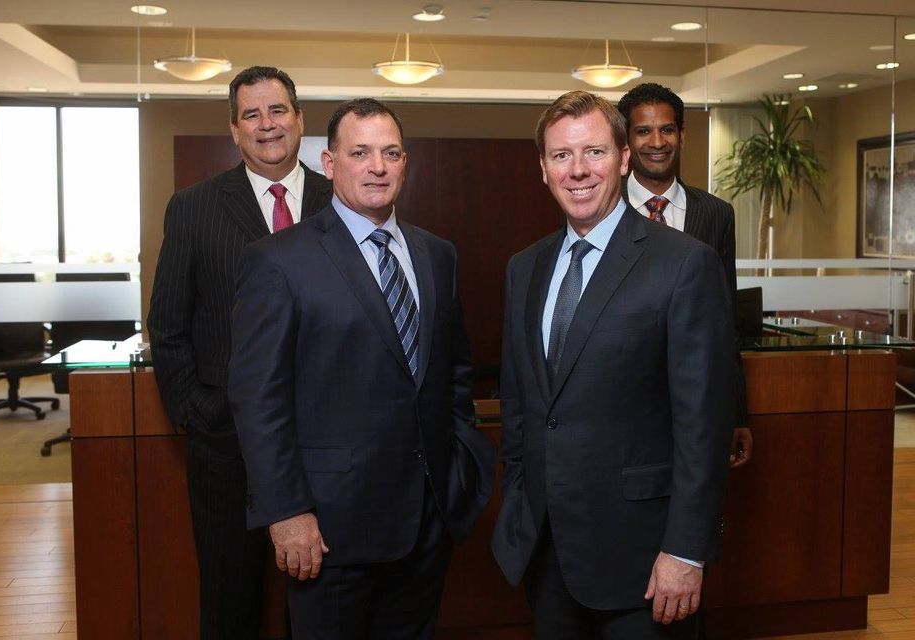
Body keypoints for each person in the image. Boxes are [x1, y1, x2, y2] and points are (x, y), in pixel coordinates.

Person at [228, 98, 495, 640]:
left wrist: (460, 467)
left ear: (404, 162)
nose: (378, 166)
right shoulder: (278, 260)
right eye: (361, 153)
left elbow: (454, 374)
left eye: (391, 153)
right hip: (328, 531)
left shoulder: (436, 254)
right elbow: (259, 402)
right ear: (329, 164)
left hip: (427, 523)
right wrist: (287, 512)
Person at [491, 90, 736, 639]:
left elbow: (704, 427)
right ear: (543, 169)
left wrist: (686, 550)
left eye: (594, 152)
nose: (578, 170)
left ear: (623, 160)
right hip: (546, 552)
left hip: (645, 562)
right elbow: (523, 407)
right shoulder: (524, 269)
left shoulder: (684, 264)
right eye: (561, 156)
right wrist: (518, 510)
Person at [147, 66, 332, 639]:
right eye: (251, 114)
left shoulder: (344, 201)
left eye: (277, 111)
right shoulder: (193, 208)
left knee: (327, 606)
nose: (266, 124)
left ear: (300, 120)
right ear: (233, 129)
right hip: (227, 452)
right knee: (231, 604)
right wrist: (198, 413)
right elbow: (169, 325)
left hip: (329, 443)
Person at [617, 82, 752, 468]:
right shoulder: (601, 210)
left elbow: (726, 321)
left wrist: (738, 412)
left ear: (682, 136)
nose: (656, 141)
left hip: (698, 407)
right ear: (626, 142)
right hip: (621, 407)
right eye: (643, 130)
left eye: (667, 129)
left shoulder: (716, 214)